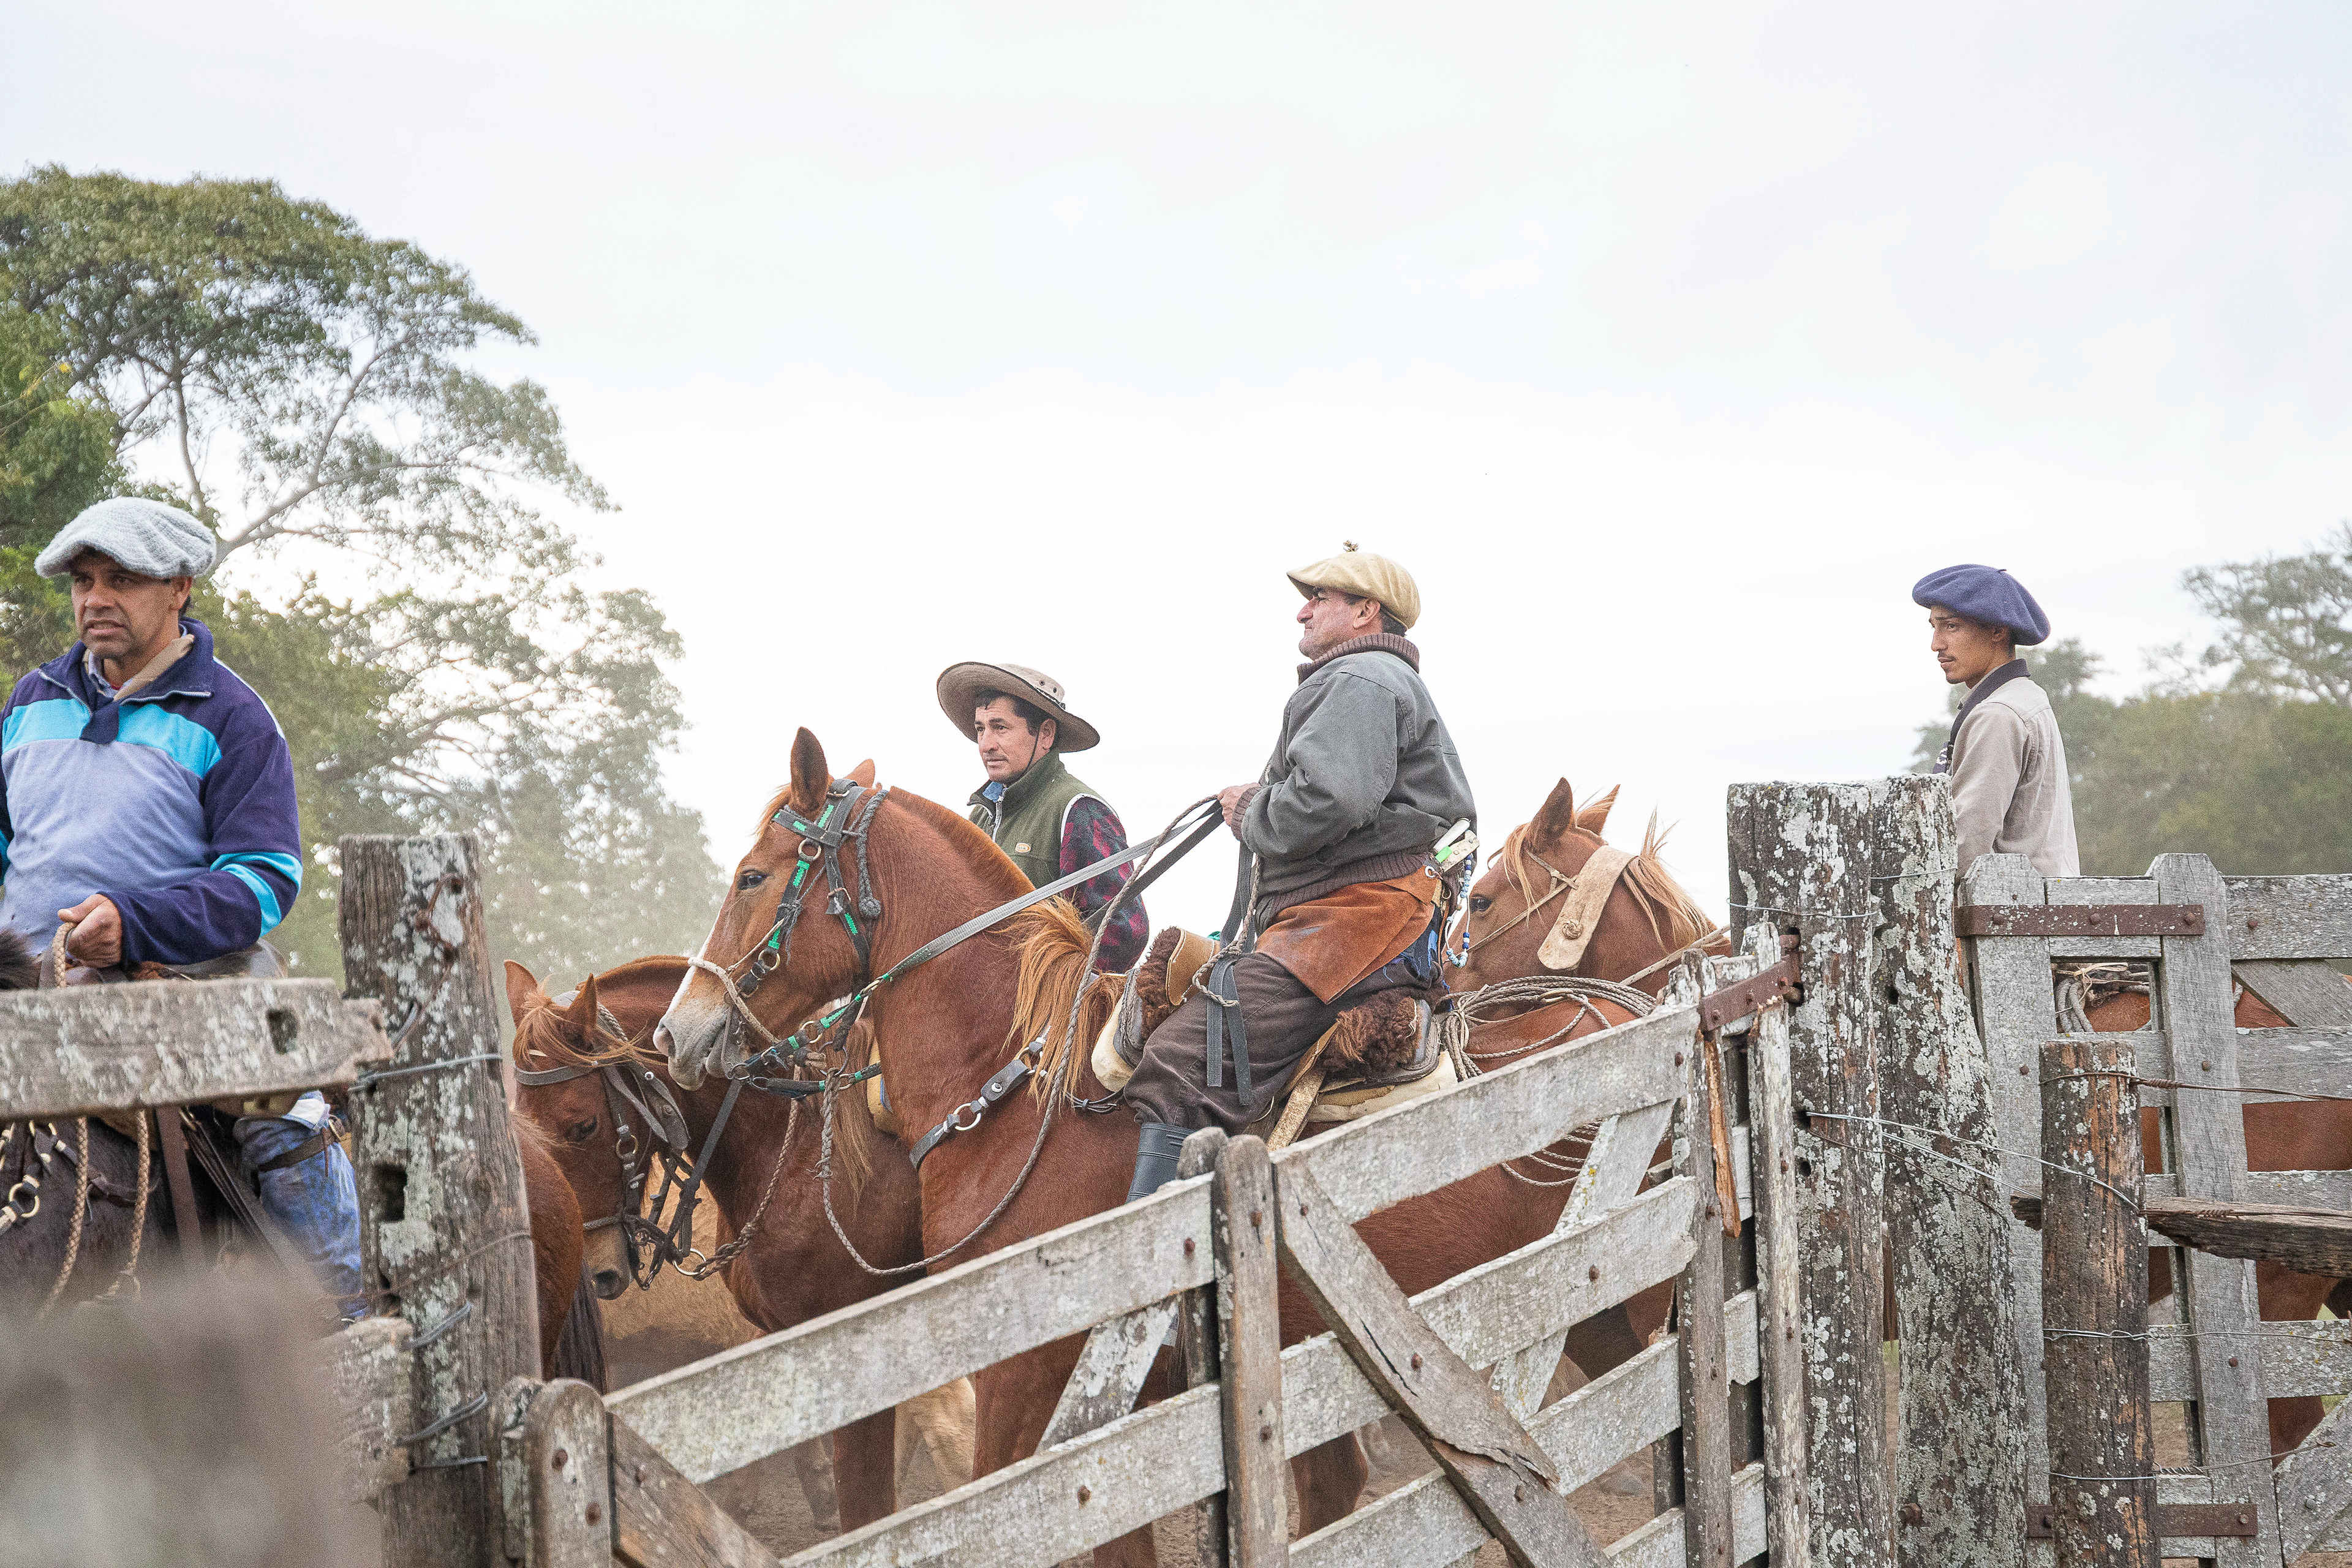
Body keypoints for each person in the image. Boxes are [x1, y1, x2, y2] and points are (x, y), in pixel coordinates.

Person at [0, 497, 363, 1317]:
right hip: (26, 987)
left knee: (285, 1119)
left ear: (180, 589)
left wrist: (133, 923)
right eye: (85, 580)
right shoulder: (30, 701)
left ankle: (343, 1331)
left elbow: (264, 880)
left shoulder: (235, 718)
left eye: (121, 579)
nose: (96, 597)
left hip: (185, 981)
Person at [1120, 543, 1475, 1199]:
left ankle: (1154, 1294)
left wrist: (1254, 809)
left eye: (1320, 598)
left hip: (1358, 924)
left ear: (1367, 610)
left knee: (1178, 1062)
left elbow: (1330, 799)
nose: (1302, 612)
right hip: (1363, 921)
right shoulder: (1376, 680)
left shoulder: (1358, 680)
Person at [934, 661, 1148, 972]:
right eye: (981, 729)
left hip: (1047, 1017)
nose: (986, 745)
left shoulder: (1079, 809)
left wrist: (1042, 991)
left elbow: (1123, 933)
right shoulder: (980, 816)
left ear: (1045, 735)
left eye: (1000, 727)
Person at [1915, 563, 2080, 880]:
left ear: (1997, 630)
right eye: (1934, 627)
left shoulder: (1998, 713)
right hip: (2034, 911)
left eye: (1951, 627)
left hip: (2009, 918)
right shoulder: (2024, 698)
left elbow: (1966, 842)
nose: (1936, 644)